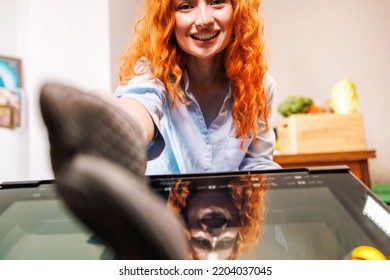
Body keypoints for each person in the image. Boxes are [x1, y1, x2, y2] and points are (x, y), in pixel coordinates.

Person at [39, 0, 279, 259]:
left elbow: (258, 167)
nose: (204, 19)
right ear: (167, 18)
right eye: (186, 6)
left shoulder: (259, 86)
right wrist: (125, 124)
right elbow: (141, 103)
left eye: (216, 2)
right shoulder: (152, 72)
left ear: (238, 11)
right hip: (154, 232)